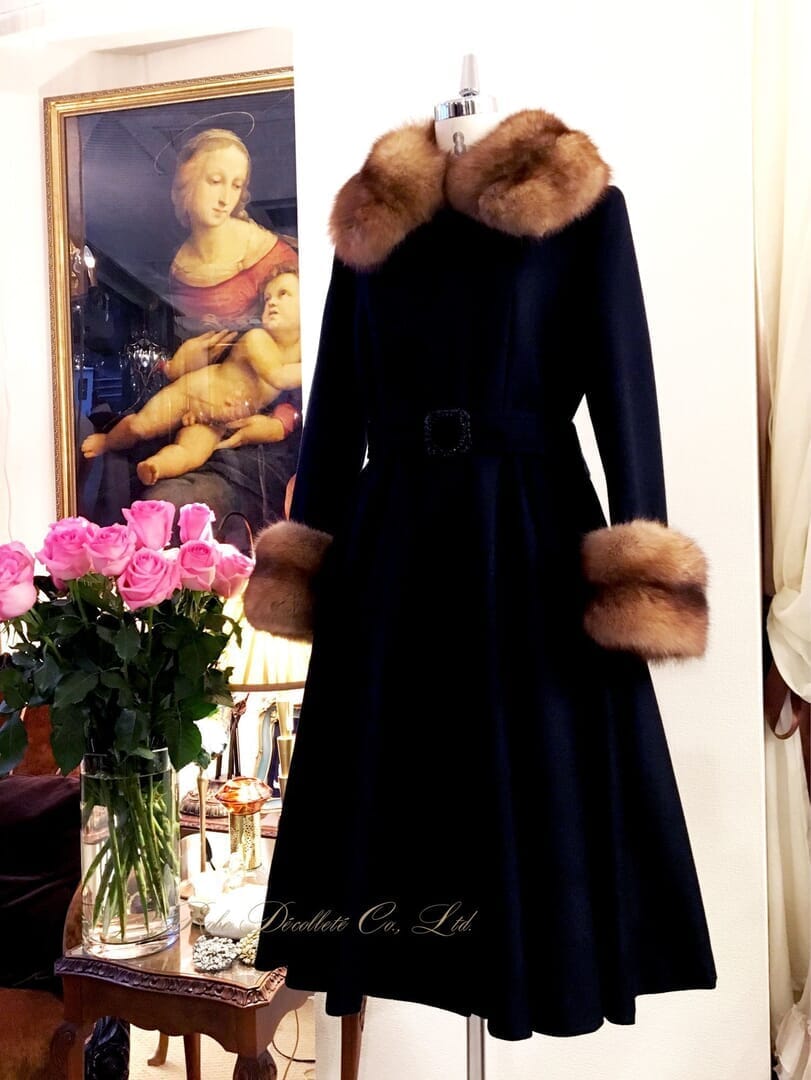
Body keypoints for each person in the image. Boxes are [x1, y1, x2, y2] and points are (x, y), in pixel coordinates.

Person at [81, 269, 301, 486]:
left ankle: (155, 467)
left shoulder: (300, 351)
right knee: (141, 426)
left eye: (283, 294)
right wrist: (308, 368)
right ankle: (108, 441)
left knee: (191, 454)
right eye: (267, 298)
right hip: (191, 393)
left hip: (217, 422)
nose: (272, 302)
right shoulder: (258, 338)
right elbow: (278, 376)